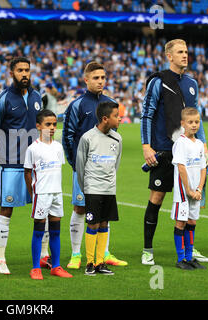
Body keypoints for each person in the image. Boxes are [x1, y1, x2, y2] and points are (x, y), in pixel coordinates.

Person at [140, 39, 208, 265]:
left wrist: (204, 145)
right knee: (157, 197)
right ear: (169, 56)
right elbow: (147, 114)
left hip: (191, 153)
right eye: (180, 52)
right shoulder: (158, 81)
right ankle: (148, 250)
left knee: (193, 200)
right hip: (163, 149)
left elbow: (196, 116)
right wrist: (146, 145)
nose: (185, 55)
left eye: (187, 51)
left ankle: (190, 249)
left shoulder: (192, 83)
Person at [62, 61, 127, 270]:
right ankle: (75, 254)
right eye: (96, 78)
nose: (100, 81)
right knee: (81, 208)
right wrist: (76, 165)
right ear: (86, 79)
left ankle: (104, 254)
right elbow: (68, 136)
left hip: (105, 170)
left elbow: (116, 137)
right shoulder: (77, 105)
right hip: (84, 169)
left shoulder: (111, 103)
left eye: (103, 77)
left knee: (105, 212)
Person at [0, 56, 43, 274]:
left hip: (37, 166)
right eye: (20, 70)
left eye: (27, 70)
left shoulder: (37, 97)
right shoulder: (3, 99)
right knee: (6, 209)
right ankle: (0, 259)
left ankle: (44, 256)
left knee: (42, 209)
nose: (25, 74)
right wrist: (2, 158)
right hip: (12, 165)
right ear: (12, 72)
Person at [24, 109, 73, 280]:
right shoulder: (33, 149)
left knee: (56, 231)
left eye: (54, 124)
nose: (52, 127)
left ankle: (56, 266)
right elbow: (27, 173)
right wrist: (33, 193)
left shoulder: (58, 147)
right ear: (38, 126)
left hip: (56, 194)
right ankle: (35, 267)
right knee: (38, 231)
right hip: (41, 194)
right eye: (48, 124)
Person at [75, 101, 122, 276]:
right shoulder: (88, 138)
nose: (119, 119)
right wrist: (86, 186)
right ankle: (89, 263)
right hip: (92, 188)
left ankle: (100, 262)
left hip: (109, 189)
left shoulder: (117, 139)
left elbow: (115, 164)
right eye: (116, 116)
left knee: (104, 223)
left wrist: (109, 181)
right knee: (93, 223)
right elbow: (80, 165)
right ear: (105, 119)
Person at [171, 108, 207, 270]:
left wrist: (199, 189)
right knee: (181, 222)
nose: (194, 125)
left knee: (192, 221)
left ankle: (189, 256)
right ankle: (181, 259)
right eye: (190, 122)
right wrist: (189, 190)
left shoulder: (199, 144)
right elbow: (182, 168)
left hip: (195, 191)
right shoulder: (181, 143)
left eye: (197, 122)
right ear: (183, 124)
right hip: (183, 192)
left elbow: (203, 168)